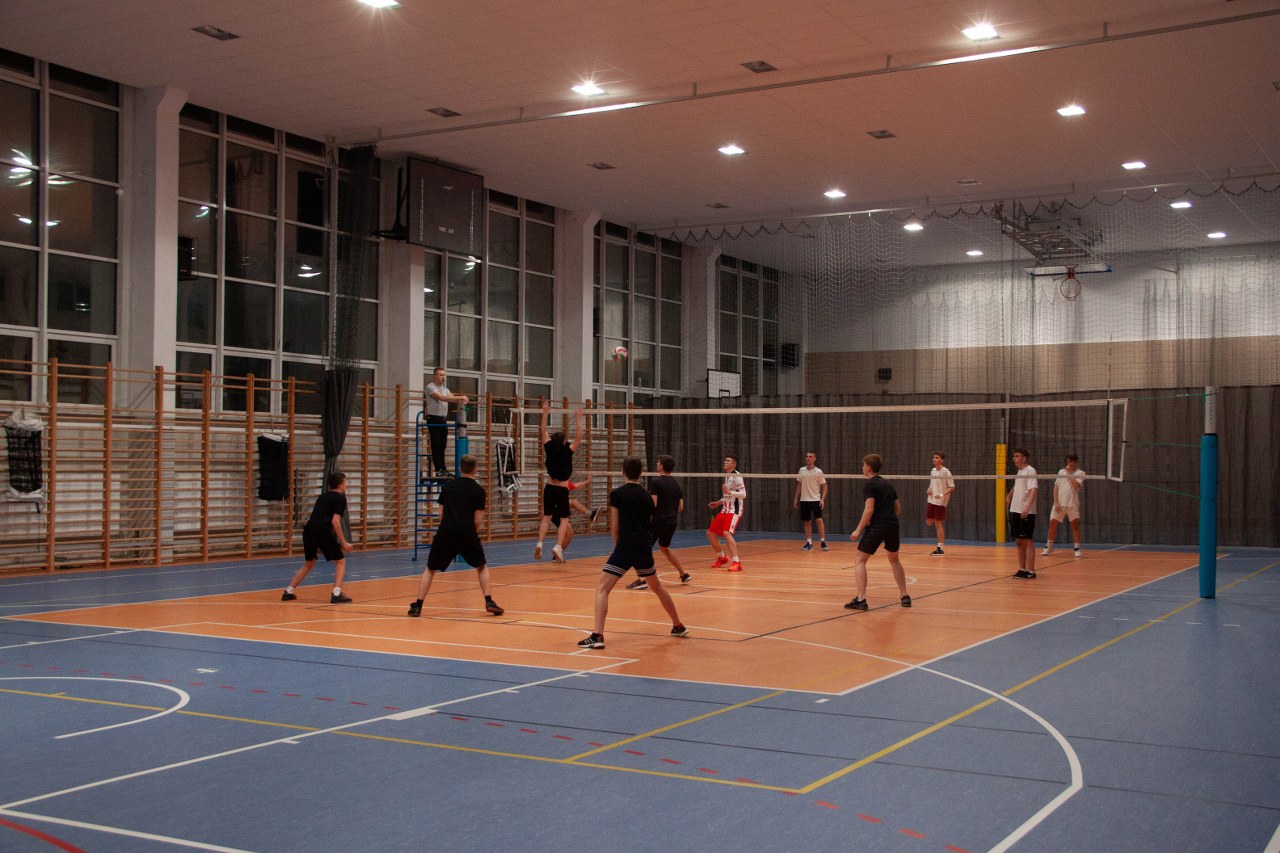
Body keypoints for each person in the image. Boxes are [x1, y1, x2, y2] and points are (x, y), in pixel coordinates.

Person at [577, 457, 688, 649]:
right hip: (644, 546)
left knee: (602, 589)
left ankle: (597, 636)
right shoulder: (647, 496)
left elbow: (615, 526)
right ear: (641, 473)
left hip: (625, 546)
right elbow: (649, 522)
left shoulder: (617, 494)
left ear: (622, 472)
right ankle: (678, 625)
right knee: (657, 587)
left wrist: (617, 548)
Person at [408, 455, 504, 618]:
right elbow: (477, 521)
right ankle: (489, 601)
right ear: (475, 470)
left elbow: (440, 514)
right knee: (481, 566)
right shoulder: (479, 491)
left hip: (447, 531)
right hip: (467, 532)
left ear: (460, 469)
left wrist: (449, 526)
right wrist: (470, 534)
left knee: (430, 568)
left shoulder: (448, 486)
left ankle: (418, 605)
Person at [845, 454, 910, 610]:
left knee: (860, 559)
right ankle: (905, 596)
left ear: (868, 468)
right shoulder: (888, 485)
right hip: (892, 524)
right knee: (894, 560)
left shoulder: (869, 485)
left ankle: (861, 599)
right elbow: (898, 509)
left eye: (863, 465)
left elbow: (869, 509)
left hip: (878, 525)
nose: (862, 468)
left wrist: (858, 530)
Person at [282, 472, 354, 603]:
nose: (346, 485)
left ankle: (289, 591)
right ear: (340, 485)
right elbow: (335, 521)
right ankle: (336, 593)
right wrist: (343, 542)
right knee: (340, 562)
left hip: (309, 530)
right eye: (345, 482)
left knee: (309, 563)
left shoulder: (323, 496)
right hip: (322, 531)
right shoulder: (340, 498)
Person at [627, 454, 692, 589]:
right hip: (672, 521)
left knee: (643, 548)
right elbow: (680, 507)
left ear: (661, 466)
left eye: (658, 463)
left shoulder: (656, 482)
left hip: (658, 521)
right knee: (664, 548)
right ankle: (683, 574)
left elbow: (653, 505)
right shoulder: (676, 484)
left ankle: (642, 579)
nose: (657, 464)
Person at [535, 398, 585, 563]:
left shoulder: (549, 447)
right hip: (562, 489)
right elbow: (579, 437)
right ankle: (558, 546)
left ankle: (540, 543)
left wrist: (545, 413)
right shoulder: (567, 450)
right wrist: (578, 418)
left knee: (546, 517)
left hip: (549, 487)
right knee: (564, 520)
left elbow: (543, 430)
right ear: (564, 441)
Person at [425, 367, 469, 478]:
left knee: (442, 445)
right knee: (436, 445)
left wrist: (462, 399)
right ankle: (438, 470)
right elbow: (441, 398)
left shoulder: (445, 389)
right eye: (441, 375)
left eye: (444, 375)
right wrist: (460, 397)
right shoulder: (430, 387)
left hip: (443, 419)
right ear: (435, 376)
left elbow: (451, 397)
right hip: (433, 418)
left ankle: (443, 469)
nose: (443, 377)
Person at [706, 454, 746, 572]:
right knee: (710, 533)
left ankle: (737, 562)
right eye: (725, 460)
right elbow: (727, 496)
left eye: (728, 461)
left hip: (734, 510)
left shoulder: (737, 476)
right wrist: (718, 503)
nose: (725, 462)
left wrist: (730, 492)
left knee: (726, 533)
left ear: (734, 464)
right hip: (725, 509)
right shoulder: (727, 476)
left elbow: (743, 494)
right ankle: (722, 558)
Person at [1044, 454, 1085, 557]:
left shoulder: (1081, 473)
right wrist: (1056, 502)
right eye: (1067, 462)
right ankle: (1049, 547)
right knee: (1052, 524)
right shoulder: (1061, 472)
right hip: (1060, 504)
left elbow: (1075, 486)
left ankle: (1077, 549)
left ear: (1076, 462)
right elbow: (1056, 487)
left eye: (1071, 462)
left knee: (1075, 526)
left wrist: (1069, 473)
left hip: (1073, 504)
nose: (1069, 464)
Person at [1007, 448, 1039, 579]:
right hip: (1015, 509)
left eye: (1017, 456)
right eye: (1014, 456)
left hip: (1026, 511)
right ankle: (1022, 569)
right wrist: (1009, 495)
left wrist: (1027, 507)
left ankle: (1031, 571)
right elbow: (1018, 486)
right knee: (1019, 540)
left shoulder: (1030, 470)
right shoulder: (1020, 471)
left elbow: (1034, 489)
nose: (1014, 458)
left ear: (1024, 458)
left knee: (1027, 540)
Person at [793, 451, 828, 551]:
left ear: (814, 459)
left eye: (810, 456)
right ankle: (809, 543)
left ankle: (823, 542)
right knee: (807, 522)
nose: (808, 458)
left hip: (815, 500)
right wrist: (796, 499)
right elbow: (799, 485)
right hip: (804, 500)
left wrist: (822, 500)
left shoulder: (818, 471)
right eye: (807, 456)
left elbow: (825, 487)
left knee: (819, 520)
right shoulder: (802, 470)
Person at [925, 451, 956, 556]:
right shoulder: (933, 470)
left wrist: (942, 495)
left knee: (938, 523)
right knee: (929, 522)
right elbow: (931, 485)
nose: (934, 459)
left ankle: (940, 548)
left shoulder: (946, 472)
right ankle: (939, 547)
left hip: (941, 501)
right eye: (933, 457)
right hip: (931, 499)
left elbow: (952, 487)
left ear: (942, 460)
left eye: (937, 458)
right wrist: (929, 490)